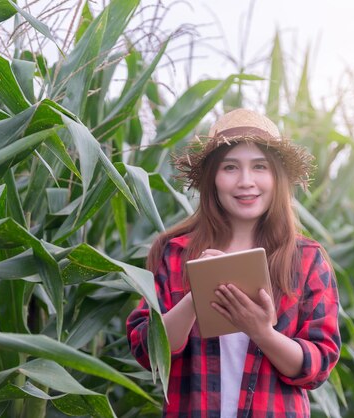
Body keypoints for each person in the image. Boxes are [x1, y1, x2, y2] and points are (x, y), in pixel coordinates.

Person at [126, 109, 341, 417]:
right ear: (213, 178)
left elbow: (318, 366)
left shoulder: (305, 259)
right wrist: (197, 293)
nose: (245, 181)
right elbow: (147, 353)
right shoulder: (173, 253)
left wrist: (262, 332)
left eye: (259, 167)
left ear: (276, 177)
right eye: (230, 167)